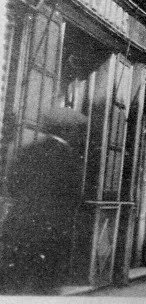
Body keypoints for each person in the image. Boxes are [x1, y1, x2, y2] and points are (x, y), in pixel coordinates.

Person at [0, 108, 86, 295]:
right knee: (44, 286)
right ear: (66, 131)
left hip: (19, 225)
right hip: (51, 231)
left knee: (12, 284)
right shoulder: (69, 158)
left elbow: (12, 185)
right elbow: (74, 196)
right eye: (76, 130)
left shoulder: (28, 150)